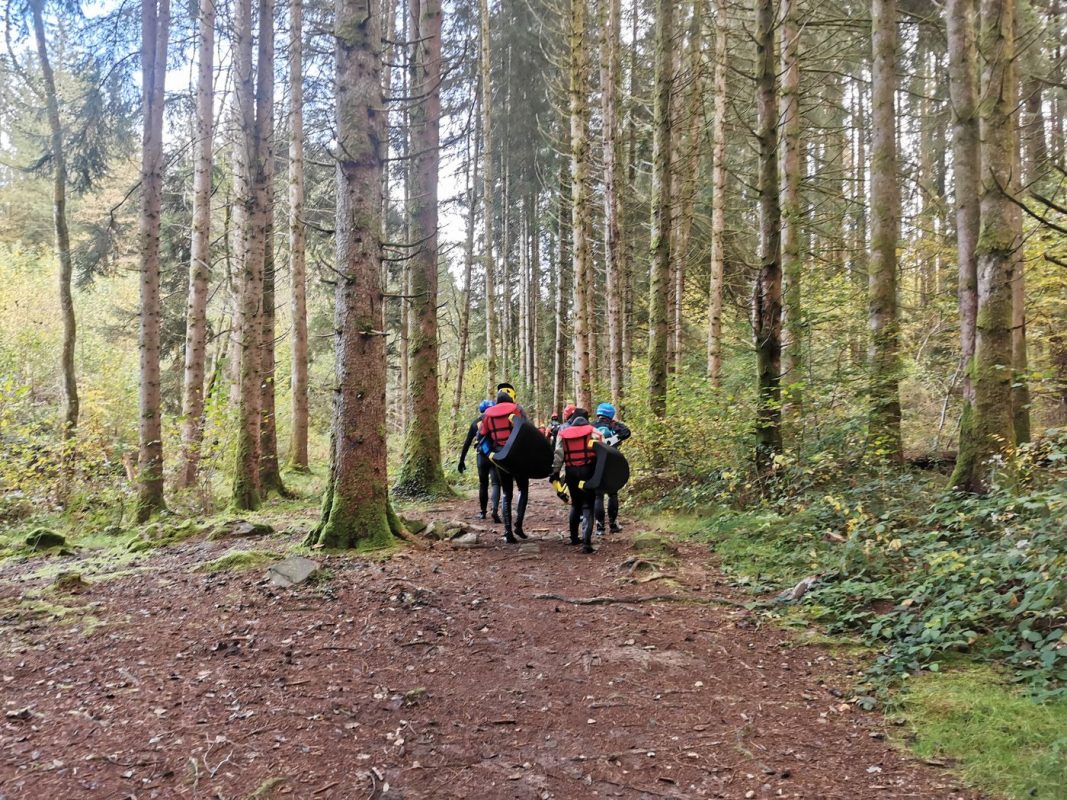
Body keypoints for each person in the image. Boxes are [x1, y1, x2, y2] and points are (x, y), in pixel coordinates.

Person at [479, 385, 529, 543]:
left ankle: (508, 532)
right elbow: (526, 430)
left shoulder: (487, 415)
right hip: (517, 455)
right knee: (523, 489)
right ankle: (518, 524)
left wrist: (491, 453)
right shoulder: (517, 410)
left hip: (500, 457)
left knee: (507, 493)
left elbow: (482, 436)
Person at [551, 412, 603, 553]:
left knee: (575, 504)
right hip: (588, 471)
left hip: (571, 472)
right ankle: (586, 543)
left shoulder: (563, 434)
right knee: (588, 505)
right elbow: (602, 452)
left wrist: (555, 472)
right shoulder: (593, 432)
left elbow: (558, 454)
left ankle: (574, 538)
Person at [457, 399, 501, 522]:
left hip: (481, 455)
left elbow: (467, 443)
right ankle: (495, 510)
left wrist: (462, 460)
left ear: (481, 410)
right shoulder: (496, 421)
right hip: (494, 455)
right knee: (496, 483)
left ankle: (482, 512)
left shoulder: (475, 423)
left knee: (483, 484)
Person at [593, 402, 630, 535]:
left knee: (598, 495)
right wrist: (616, 423)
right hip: (612, 464)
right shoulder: (614, 428)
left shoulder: (592, 426)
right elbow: (627, 432)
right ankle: (613, 524)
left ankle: (600, 527)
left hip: (596, 464)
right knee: (613, 493)